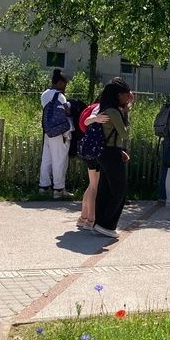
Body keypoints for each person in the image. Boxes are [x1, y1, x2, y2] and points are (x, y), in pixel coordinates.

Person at [94, 79, 133, 239]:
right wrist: (126, 111)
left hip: (106, 152)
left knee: (105, 189)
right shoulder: (114, 111)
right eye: (126, 94)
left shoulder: (104, 108)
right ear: (119, 95)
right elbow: (124, 134)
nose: (128, 97)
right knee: (119, 190)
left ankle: (100, 222)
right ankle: (107, 224)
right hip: (111, 154)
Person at [39, 69, 73, 199]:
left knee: (46, 159)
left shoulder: (44, 94)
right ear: (59, 83)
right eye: (64, 84)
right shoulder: (60, 96)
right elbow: (67, 112)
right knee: (59, 159)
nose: (64, 87)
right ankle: (58, 189)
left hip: (48, 131)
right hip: (59, 132)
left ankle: (44, 187)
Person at [76, 96, 109, 231]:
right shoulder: (101, 107)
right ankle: (90, 219)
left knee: (92, 185)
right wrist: (96, 118)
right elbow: (87, 121)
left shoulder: (97, 106)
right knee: (94, 186)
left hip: (90, 149)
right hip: (96, 150)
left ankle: (83, 218)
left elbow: (86, 122)